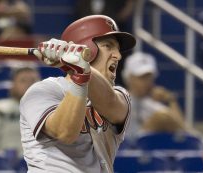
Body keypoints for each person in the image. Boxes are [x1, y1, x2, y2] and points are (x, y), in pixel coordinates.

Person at [20, 15, 136, 172]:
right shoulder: (42, 91)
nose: (118, 55)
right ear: (86, 48)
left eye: (118, 49)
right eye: (108, 46)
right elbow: (64, 132)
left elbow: (110, 102)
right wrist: (80, 74)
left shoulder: (120, 95)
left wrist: (82, 69)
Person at [121, 52, 190, 142]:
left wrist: (171, 100)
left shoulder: (154, 105)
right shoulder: (119, 99)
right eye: (142, 77)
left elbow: (184, 131)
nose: (148, 82)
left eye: (150, 77)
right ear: (129, 78)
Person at [0, 66, 40, 157]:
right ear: (13, 85)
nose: (28, 84)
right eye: (23, 80)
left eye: (33, 80)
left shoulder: (51, 111)